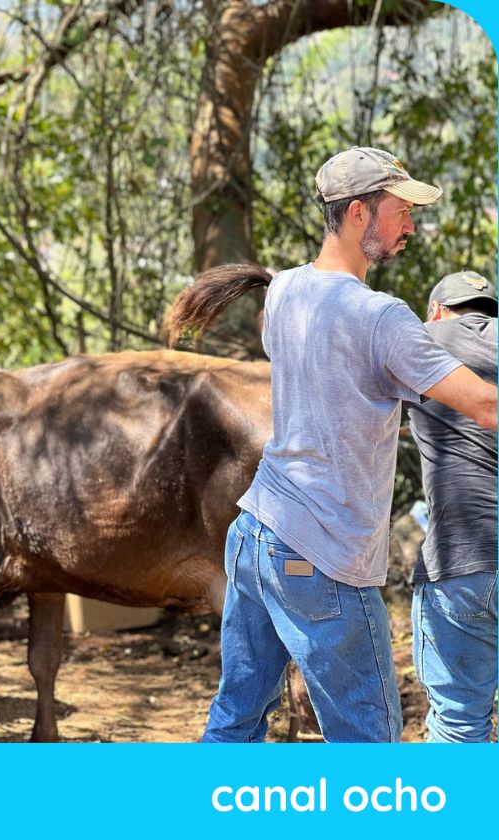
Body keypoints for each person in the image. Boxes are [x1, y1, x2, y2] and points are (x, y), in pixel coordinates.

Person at [197, 147, 498, 742]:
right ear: (359, 213)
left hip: (257, 535)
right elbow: (486, 404)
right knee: (369, 745)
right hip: (324, 557)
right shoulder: (383, 318)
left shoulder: (282, 292)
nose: (410, 225)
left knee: (235, 720)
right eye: (400, 211)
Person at [407, 270, 497, 742]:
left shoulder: (419, 341)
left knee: (460, 723)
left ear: (437, 311)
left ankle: (462, 816)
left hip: (464, 564)